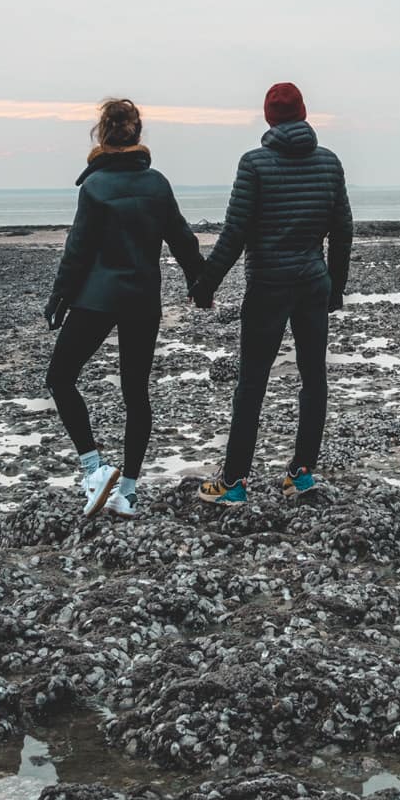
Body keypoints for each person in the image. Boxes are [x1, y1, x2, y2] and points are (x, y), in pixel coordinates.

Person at [192, 81, 352, 504]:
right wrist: (335, 287)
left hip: (268, 286)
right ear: (303, 114)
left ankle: (233, 482)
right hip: (313, 282)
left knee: (252, 383)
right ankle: (301, 474)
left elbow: (234, 233)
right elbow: (343, 230)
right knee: (313, 378)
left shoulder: (255, 164)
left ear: (268, 118)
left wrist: (206, 284)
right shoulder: (329, 162)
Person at [45, 96, 204, 519]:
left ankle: (94, 469)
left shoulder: (95, 187)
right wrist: (199, 282)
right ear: (137, 133)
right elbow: (182, 239)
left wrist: (59, 298)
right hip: (142, 301)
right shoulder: (157, 184)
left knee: (60, 378)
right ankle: (127, 492)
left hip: (95, 300)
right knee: (136, 393)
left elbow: (77, 251)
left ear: (102, 134)